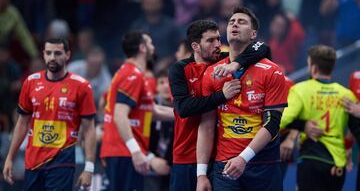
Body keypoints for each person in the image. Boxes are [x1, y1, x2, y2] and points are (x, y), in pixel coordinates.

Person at [168, 19, 271, 191]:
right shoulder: (180, 69)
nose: (218, 44)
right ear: (195, 46)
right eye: (210, 41)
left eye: (218, 39)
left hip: (219, 157)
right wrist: (221, 96)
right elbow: (184, 108)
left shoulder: (226, 62)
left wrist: (236, 64)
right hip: (186, 155)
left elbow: (262, 47)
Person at [197, 7, 287, 191]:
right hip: (225, 165)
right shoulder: (211, 73)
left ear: (254, 34)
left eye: (241, 21)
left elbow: (272, 123)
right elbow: (206, 127)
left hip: (263, 164)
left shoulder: (272, 71)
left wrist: (243, 158)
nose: (235, 24)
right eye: (231, 22)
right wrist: (201, 175)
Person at [2, 38, 97, 190]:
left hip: (62, 161)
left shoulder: (82, 86)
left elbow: (89, 129)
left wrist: (89, 168)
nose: (52, 57)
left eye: (58, 53)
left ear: (67, 55)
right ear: (44, 55)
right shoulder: (30, 82)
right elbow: (22, 123)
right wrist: (9, 158)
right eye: (49, 53)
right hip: (33, 162)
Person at [100, 30, 174, 191]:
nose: (153, 47)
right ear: (142, 47)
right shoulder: (131, 75)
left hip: (127, 151)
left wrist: (185, 114)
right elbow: (120, 116)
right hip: (124, 152)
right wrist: (136, 152)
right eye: (150, 43)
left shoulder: (136, 75)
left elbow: (152, 111)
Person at [281, 45, 358, 191]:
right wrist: (348, 148)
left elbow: (283, 120)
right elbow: (355, 128)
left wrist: (302, 125)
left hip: (311, 158)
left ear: (313, 67)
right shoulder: (346, 94)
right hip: (337, 162)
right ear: (333, 66)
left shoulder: (300, 89)